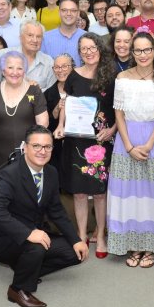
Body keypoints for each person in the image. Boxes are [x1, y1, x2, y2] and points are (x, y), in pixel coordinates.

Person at [0, 125, 88, 307]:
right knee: (37, 246)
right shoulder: (9, 175)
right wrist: (28, 233)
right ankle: (17, 290)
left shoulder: (51, 173)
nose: (42, 151)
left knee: (76, 253)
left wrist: (76, 240)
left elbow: (56, 211)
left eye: (47, 147)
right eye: (37, 146)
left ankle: (26, 269)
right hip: (4, 238)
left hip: (35, 233)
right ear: (25, 147)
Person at [108, 32, 154, 268]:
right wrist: (129, 146)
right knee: (129, 193)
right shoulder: (122, 77)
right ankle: (135, 244)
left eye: (146, 50)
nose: (142, 55)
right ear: (132, 53)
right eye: (137, 50)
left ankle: (151, 245)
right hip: (126, 140)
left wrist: (149, 144)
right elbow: (118, 114)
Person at [53, 33, 117, 258]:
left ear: (99, 49)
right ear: (79, 53)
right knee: (79, 193)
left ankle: (100, 236)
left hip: (101, 140)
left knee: (100, 193)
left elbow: (120, 108)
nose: (88, 52)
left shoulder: (112, 75)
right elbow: (65, 104)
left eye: (92, 48)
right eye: (83, 49)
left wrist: (114, 129)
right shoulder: (73, 75)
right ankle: (81, 235)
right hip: (75, 139)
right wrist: (60, 125)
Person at [0, 49, 49, 170]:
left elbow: (43, 123)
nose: (15, 72)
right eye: (10, 67)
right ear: (3, 71)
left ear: (24, 71)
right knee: (4, 186)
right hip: (1, 155)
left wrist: (33, 143)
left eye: (19, 68)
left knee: (28, 187)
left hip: (30, 153)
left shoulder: (34, 91)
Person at [0, 20, 56, 90]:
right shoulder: (2, 55)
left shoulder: (48, 61)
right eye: (30, 35)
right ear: (20, 38)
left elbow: (51, 93)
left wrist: (37, 91)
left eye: (38, 36)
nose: (35, 40)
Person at [44, 53, 74, 176]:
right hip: (55, 150)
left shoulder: (81, 88)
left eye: (64, 66)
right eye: (57, 67)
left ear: (72, 67)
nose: (60, 70)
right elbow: (45, 124)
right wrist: (56, 109)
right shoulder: (48, 93)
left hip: (75, 146)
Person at [41, 0, 85, 66]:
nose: (68, 14)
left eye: (73, 10)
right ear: (59, 12)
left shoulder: (87, 37)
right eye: (64, 10)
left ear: (78, 13)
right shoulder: (45, 38)